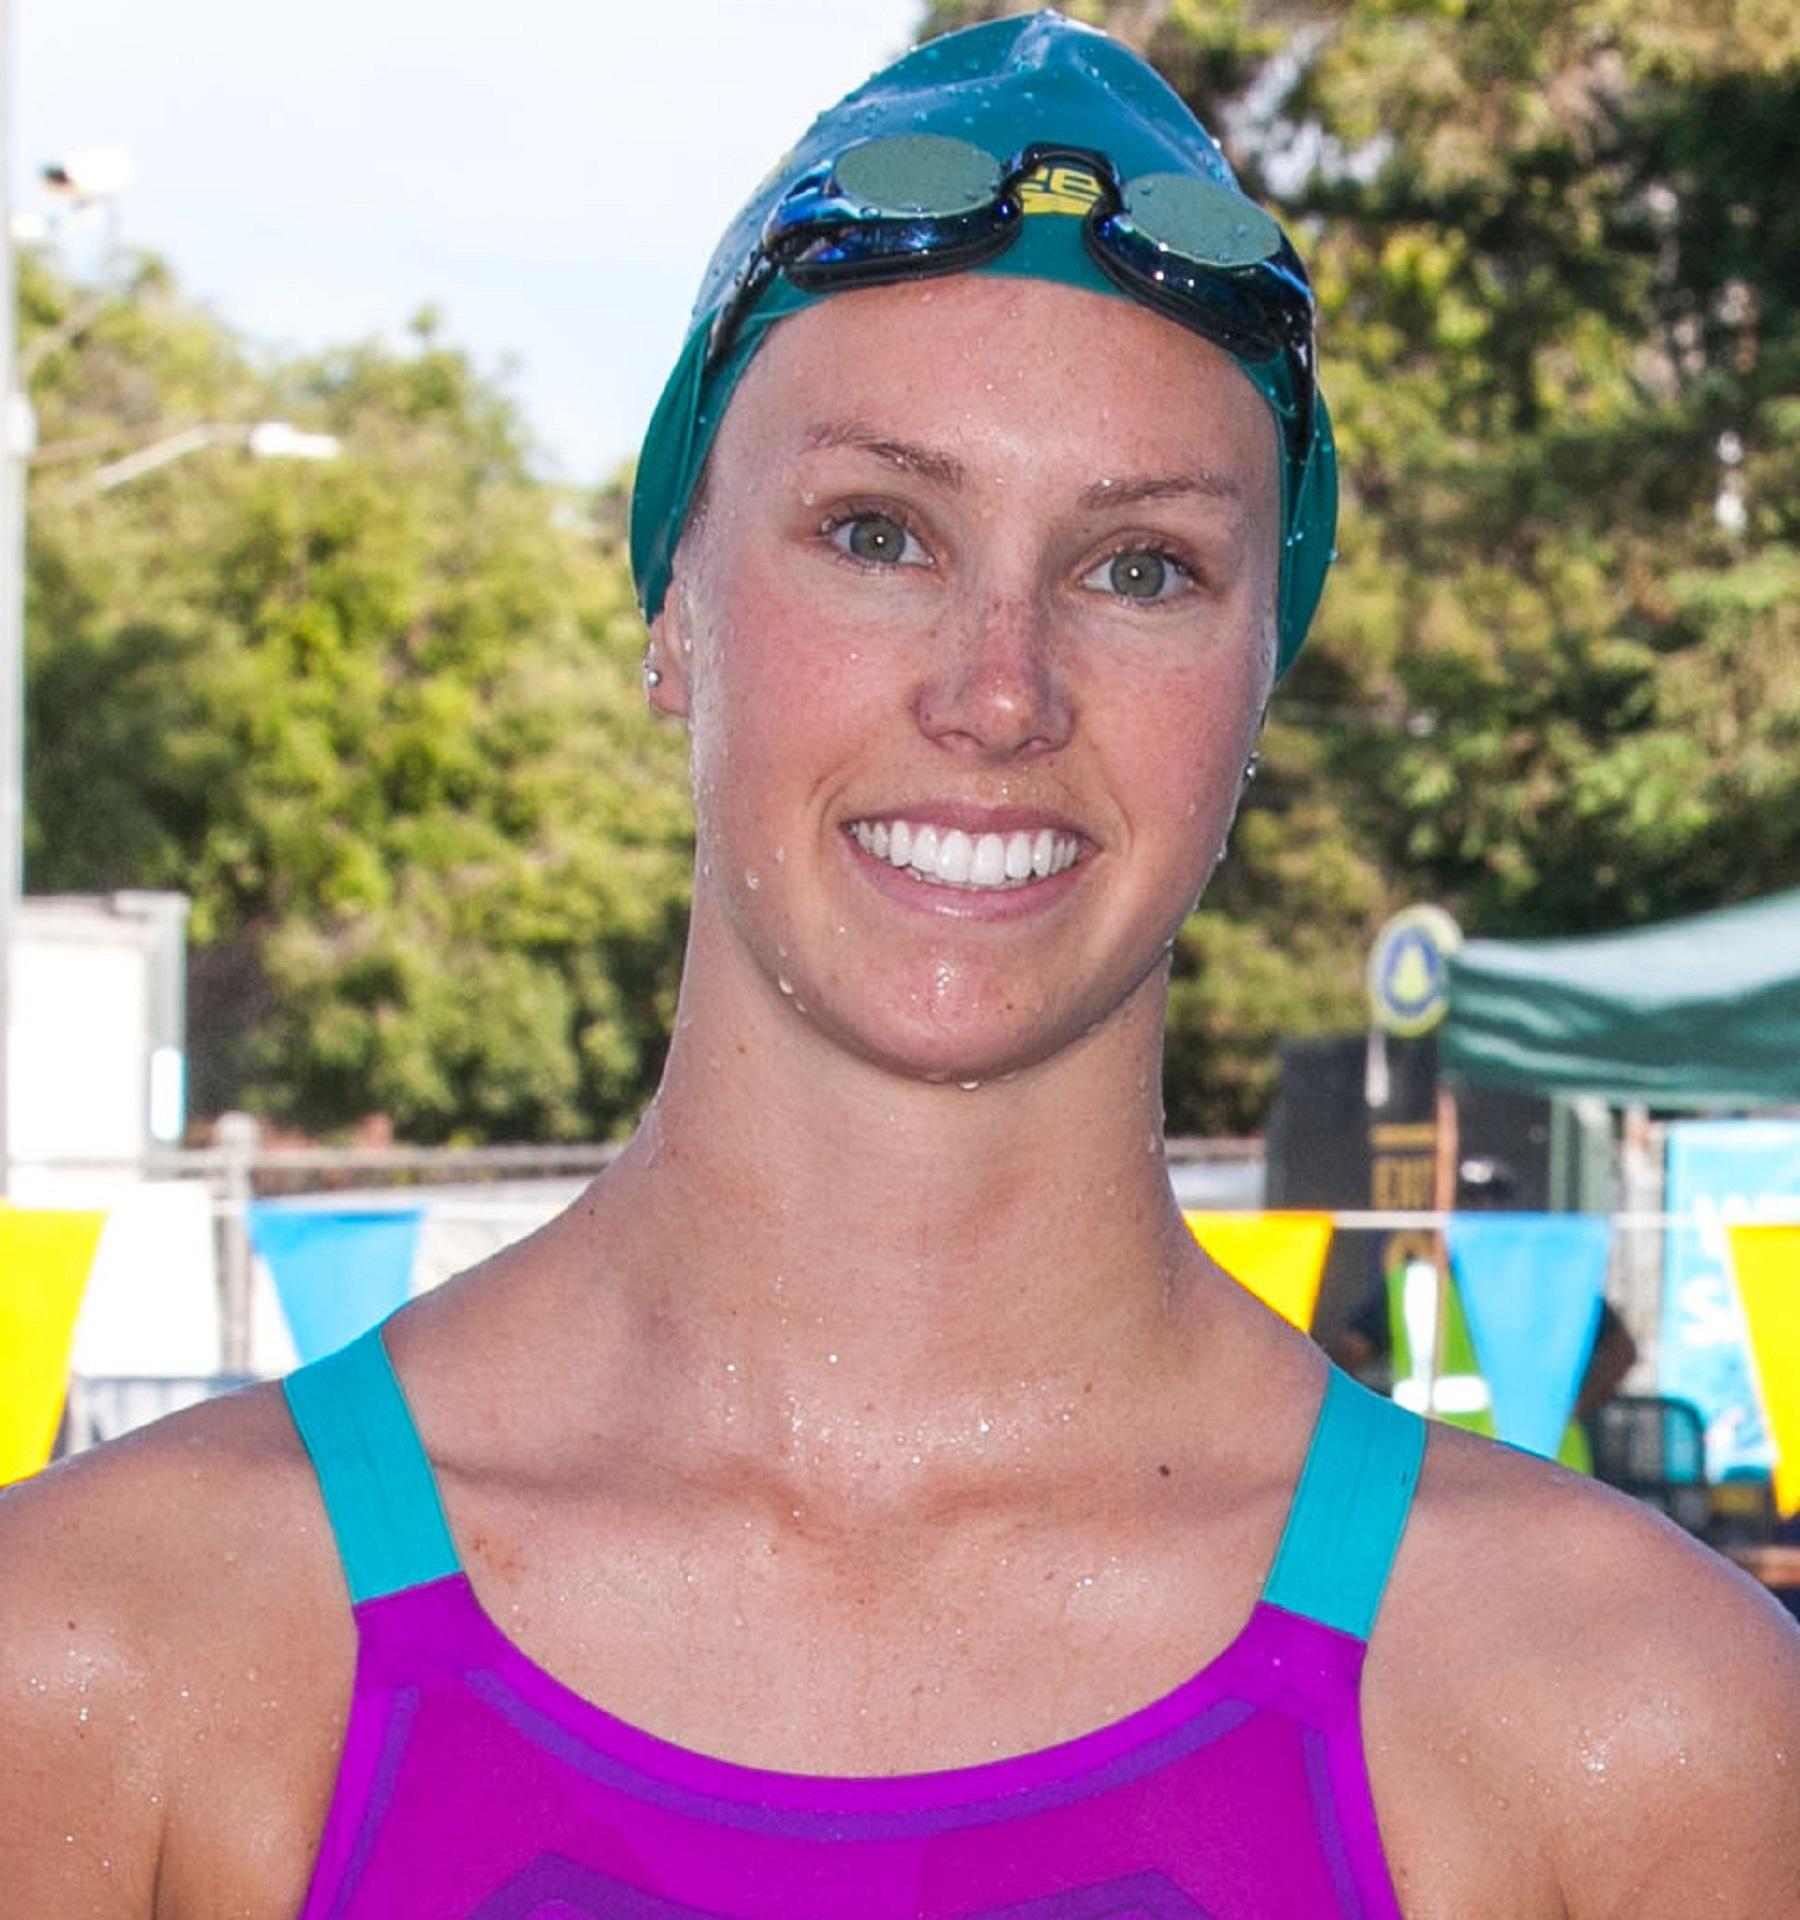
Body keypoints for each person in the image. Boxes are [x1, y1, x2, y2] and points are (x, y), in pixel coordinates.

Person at [3, 15, 1797, 1917]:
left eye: (1142, 568)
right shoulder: (114, 1662)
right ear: (675, 604)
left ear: (1260, 677)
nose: (1000, 691)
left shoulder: (1624, 1725)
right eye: (879, 534)